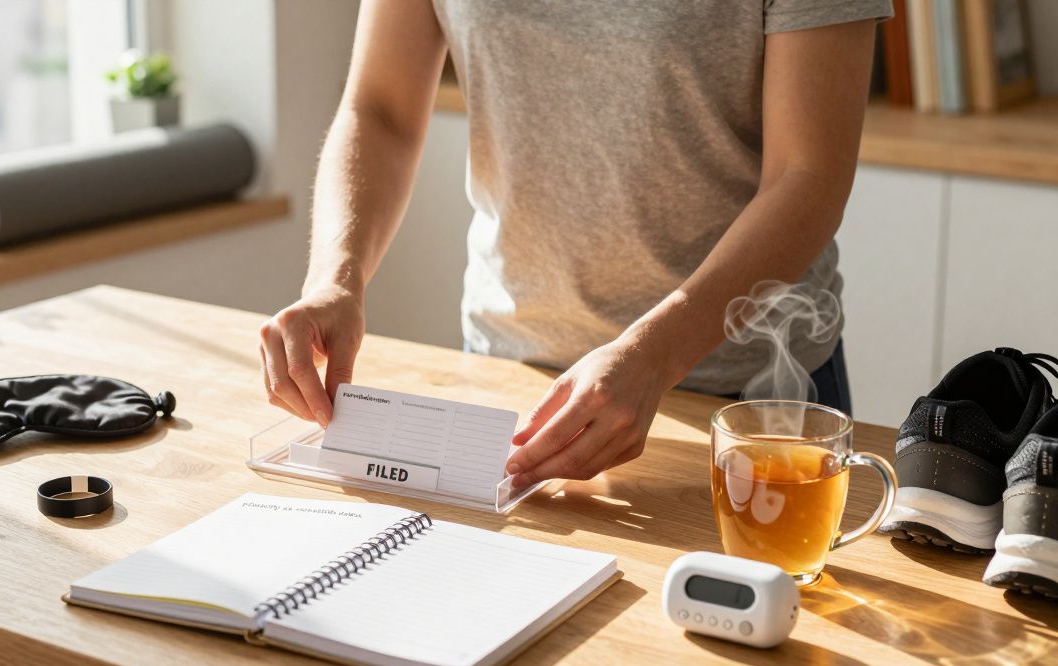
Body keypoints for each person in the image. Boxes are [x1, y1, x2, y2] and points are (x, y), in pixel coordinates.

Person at [259, 1, 890, 491]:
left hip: (745, 400)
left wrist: (653, 356)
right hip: (508, 378)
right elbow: (381, 109)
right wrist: (336, 278)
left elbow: (806, 177)